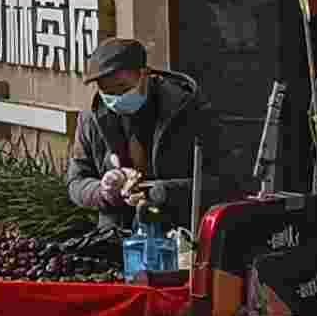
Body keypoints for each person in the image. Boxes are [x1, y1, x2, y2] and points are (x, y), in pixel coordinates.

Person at [66, 33, 212, 231]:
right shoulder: (91, 118)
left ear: (145, 74)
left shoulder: (188, 109)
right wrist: (104, 190)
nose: (116, 98)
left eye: (122, 87)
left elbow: (223, 183)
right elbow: (76, 182)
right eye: (107, 92)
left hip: (178, 230)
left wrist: (156, 192)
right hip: (116, 232)